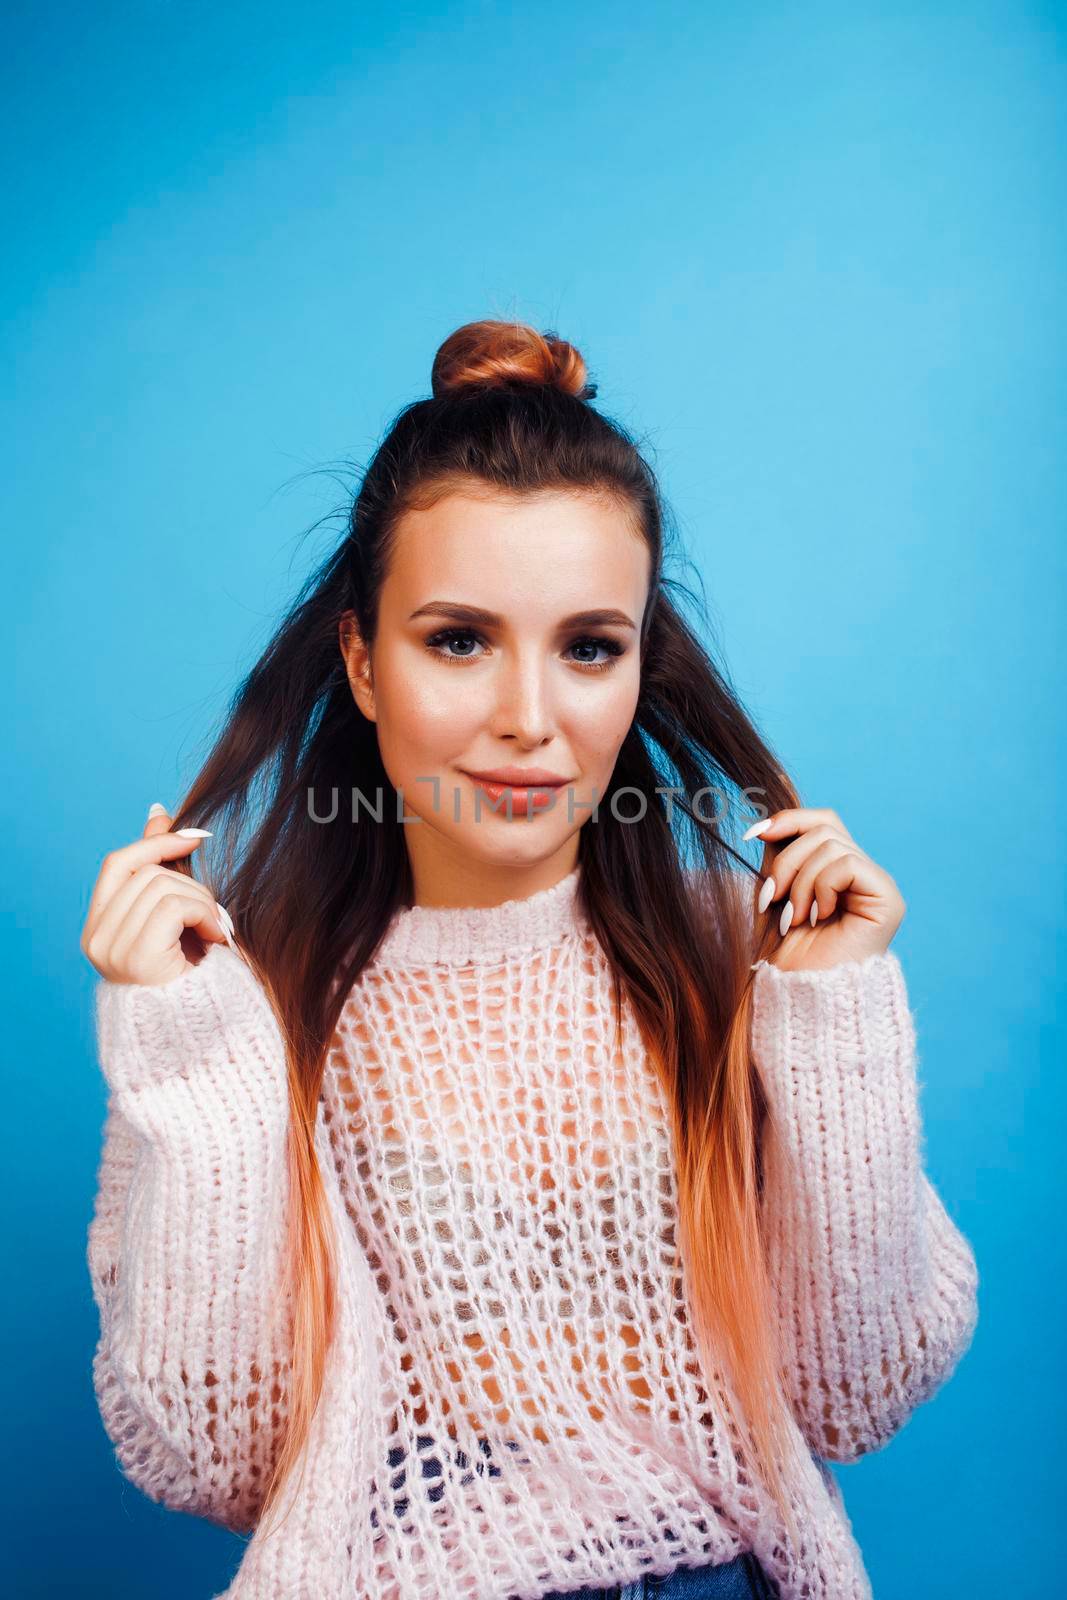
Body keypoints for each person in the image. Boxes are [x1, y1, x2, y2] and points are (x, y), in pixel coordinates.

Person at [82, 319, 979, 1600]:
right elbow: (220, 1458)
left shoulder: (739, 957)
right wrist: (188, 1053)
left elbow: (856, 1395)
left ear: (634, 667)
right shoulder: (252, 1002)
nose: (528, 718)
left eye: (586, 647)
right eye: (457, 639)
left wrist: (832, 1018)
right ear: (361, 660)